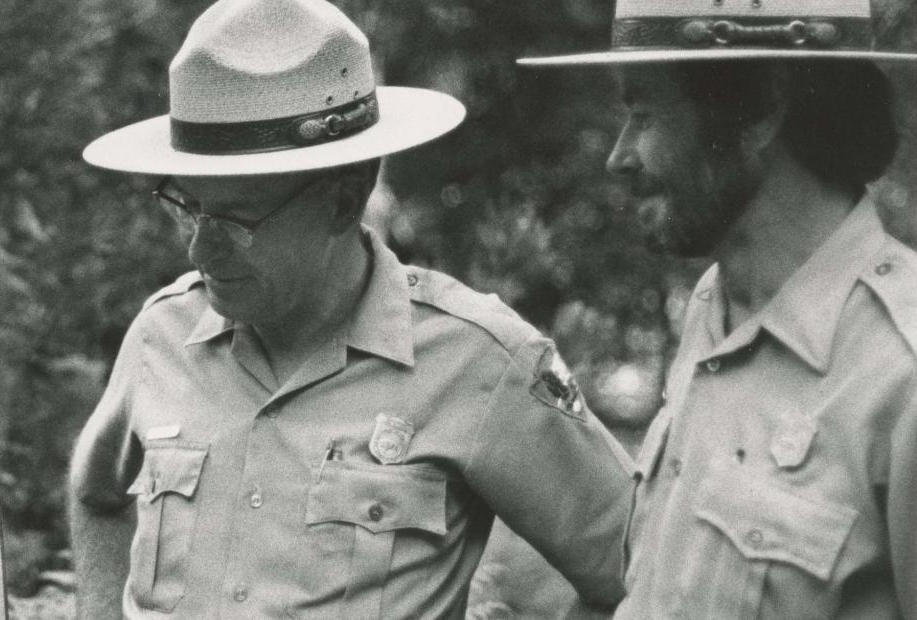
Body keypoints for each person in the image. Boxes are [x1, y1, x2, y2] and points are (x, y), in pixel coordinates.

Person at [67, 0, 635, 617]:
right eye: (186, 205)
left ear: (344, 201)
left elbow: (637, 570)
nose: (201, 247)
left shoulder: (479, 362)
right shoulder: (163, 334)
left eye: (235, 217)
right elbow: (96, 495)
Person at [521, 0, 917, 616]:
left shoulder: (902, 371)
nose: (619, 157)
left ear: (758, 110)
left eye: (645, 114)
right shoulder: (713, 308)